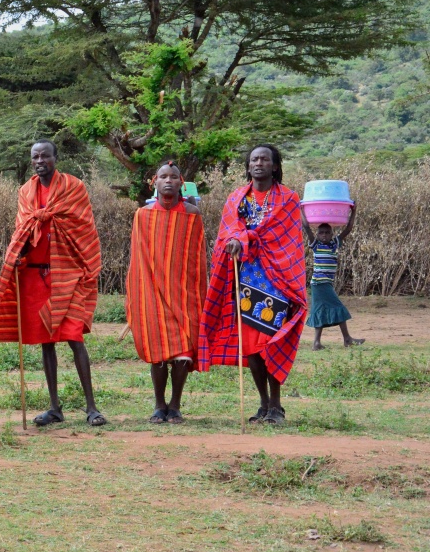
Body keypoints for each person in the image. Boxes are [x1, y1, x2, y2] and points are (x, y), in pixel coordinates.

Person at [0, 141, 107, 427]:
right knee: (45, 343)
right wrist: (19, 251)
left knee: (74, 337)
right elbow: (22, 227)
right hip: (34, 275)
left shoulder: (74, 187)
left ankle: (92, 407)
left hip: (67, 274)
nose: (39, 160)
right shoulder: (25, 192)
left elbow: (83, 227)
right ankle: (54, 407)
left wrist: (85, 269)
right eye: (35, 156)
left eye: (45, 155)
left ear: (55, 158)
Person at [198, 144, 306, 424]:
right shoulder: (237, 198)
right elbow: (228, 232)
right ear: (248, 166)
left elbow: (287, 241)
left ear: (274, 166)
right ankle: (263, 404)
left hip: (277, 281)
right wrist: (237, 239)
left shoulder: (288, 199)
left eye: (265, 159)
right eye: (254, 159)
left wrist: (245, 238)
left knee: (271, 342)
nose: (259, 163)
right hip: (245, 281)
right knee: (252, 346)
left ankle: (277, 407)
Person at [126, 161, 207, 423]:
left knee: (184, 348)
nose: (168, 180)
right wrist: (141, 294)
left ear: (181, 182)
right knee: (158, 349)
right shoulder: (143, 215)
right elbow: (137, 260)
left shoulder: (193, 214)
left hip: (184, 292)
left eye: (173, 176)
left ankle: (175, 404)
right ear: (155, 182)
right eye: (163, 176)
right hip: (152, 292)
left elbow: (198, 258)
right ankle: (159, 404)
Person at [302, 204, 364, 350]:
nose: (324, 235)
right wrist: (301, 210)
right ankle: (347, 339)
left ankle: (316, 343)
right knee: (338, 307)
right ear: (317, 235)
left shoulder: (334, 244)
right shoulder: (315, 245)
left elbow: (348, 229)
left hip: (324, 284)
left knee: (320, 311)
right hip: (319, 284)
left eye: (327, 233)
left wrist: (353, 211)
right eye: (321, 233)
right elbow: (305, 227)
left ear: (331, 234)